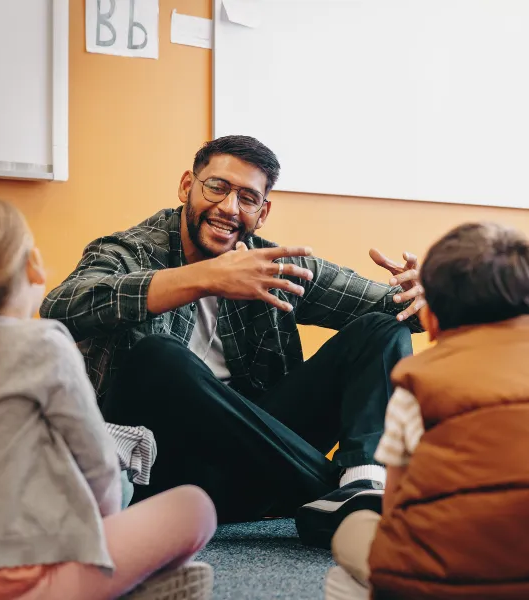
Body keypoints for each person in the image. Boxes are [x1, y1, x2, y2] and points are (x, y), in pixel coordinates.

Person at [41, 135, 425, 538]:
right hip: (161, 475)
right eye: (217, 188)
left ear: (263, 212)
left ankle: (364, 482)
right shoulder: (130, 250)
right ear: (188, 186)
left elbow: (395, 308)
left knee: (383, 327)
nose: (228, 207)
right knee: (157, 358)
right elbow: (62, 306)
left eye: (247, 197)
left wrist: (426, 292)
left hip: (257, 467)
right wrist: (202, 278)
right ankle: (343, 494)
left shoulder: (275, 265)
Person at [0, 193, 216, 600]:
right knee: (194, 506)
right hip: (38, 578)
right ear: (34, 267)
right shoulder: (43, 342)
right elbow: (97, 459)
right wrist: (104, 535)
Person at [325, 222, 529, 600]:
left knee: (352, 530)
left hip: (434, 580)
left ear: (430, 321)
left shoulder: (417, 385)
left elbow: (397, 504)